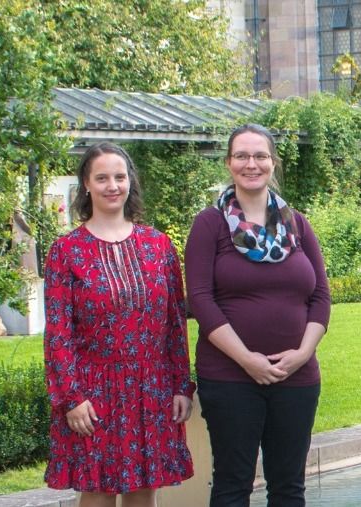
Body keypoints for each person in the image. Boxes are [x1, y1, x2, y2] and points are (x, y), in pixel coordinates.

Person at [186, 124, 332, 506]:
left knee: (289, 487)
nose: (252, 164)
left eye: (260, 156)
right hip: (230, 376)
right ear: (229, 163)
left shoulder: (297, 224)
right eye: (242, 156)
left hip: (296, 377)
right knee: (233, 485)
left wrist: (302, 354)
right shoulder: (209, 224)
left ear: (272, 162)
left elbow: (320, 296)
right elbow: (200, 299)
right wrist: (247, 360)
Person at [44, 142, 194, 507]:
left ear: (130, 182)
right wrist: (70, 397)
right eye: (102, 178)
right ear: (86, 185)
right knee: (96, 491)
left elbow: (175, 323)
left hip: (151, 388)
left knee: (144, 490)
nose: (113, 186)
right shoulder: (67, 251)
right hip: (93, 393)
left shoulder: (158, 246)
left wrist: (180, 385)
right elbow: (58, 333)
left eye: (120, 177)